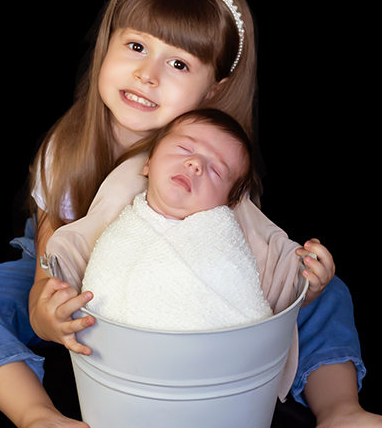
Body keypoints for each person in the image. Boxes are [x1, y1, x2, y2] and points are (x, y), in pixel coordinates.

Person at [0, 0, 382, 428]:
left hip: (181, 290)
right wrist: (45, 302)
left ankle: (339, 411)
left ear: (215, 89)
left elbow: (240, 254)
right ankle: (45, 419)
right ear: (107, 45)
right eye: (135, 48)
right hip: (79, 283)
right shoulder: (67, 148)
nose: (148, 75)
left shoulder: (212, 157)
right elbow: (49, 246)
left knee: (329, 293)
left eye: (178, 62)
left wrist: (302, 278)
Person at [81, 108, 273, 331]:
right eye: (184, 149)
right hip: (119, 352)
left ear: (228, 204)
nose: (195, 164)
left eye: (216, 170)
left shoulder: (223, 243)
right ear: (148, 163)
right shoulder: (121, 231)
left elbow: (247, 309)